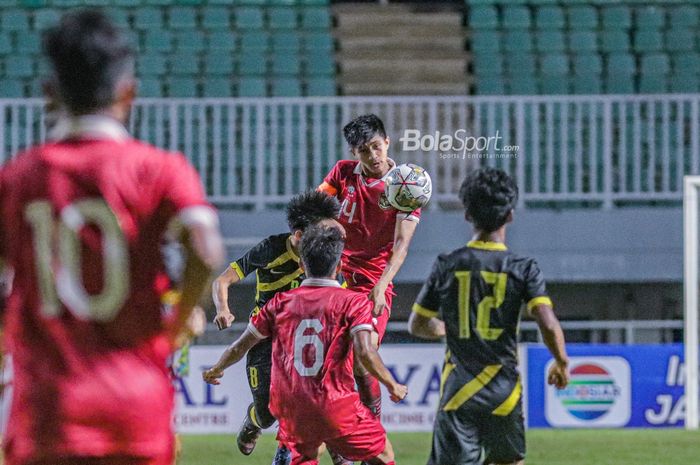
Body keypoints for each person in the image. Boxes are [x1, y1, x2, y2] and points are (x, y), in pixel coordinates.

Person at [0, 10, 224, 465]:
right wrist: (179, 321)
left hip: (48, 410)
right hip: (134, 408)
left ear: (49, 94)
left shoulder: (17, 179)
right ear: (128, 92)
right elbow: (205, 249)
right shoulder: (161, 169)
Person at [203, 226, 407, 465]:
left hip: (293, 410)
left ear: (302, 265)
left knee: (305, 454)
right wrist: (392, 384)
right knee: (384, 455)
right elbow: (365, 352)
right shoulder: (353, 302)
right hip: (336, 404)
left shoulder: (280, 303)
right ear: (340, 267)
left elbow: (239, 347)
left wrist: (217, 368)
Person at [408, 167, 569, 465]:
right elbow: (547, 321)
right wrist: (561, 361)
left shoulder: (447, 264)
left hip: (459, 391)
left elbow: (417, 324)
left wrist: (445, 328)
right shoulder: (523, 268)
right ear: (510, 215)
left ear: (467, 215)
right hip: (503, 390)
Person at [211, 191, 342, 458]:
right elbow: (222, 280)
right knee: (267, 413)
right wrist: (223, 309)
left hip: (302, 338)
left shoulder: (327, 253)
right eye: (319, 232)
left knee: (313, 401)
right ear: (298, 235)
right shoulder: (271, 249)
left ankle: (329, 450)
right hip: (263, 335)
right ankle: (254, 421)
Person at [318, 114, 420, 422]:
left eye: (377, 146)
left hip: (372, 281)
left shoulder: (404, 186)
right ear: (354, 153)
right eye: (365, 150)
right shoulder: (342, 173)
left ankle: (372, 419)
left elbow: (402, 244)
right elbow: (316, 208)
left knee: (364, 355)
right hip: (334, 278)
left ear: (387, 142)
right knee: (328, 360)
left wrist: (381, 285)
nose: (373, 156)